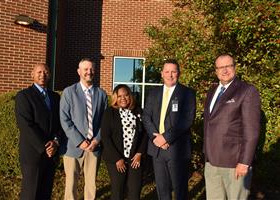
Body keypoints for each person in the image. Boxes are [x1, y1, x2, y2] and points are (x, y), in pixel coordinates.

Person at [203, 54, 261, 199]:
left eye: (228, 66)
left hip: (234, 164)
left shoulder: (247, 91)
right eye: (220, 67)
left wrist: (244, 162)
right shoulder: (212, 91)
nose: (225, 70)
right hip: (211, 163)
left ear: (235, 67)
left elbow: (251, 131)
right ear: (216, 71)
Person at [142, 59, 196, 200]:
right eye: (167, 71)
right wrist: (156, 138)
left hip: (177, 149)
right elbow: (146, 116)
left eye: (173, 71)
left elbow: (186, 120)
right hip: (157, 150)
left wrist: (165, 137)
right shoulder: (153, 93)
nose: (170, 75)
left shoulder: (188, 93)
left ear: (179, 73)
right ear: (161, 74)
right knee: (162, 190)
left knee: (180, 192)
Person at [60, 58, 107, 200]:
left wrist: (97, 140)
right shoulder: (69, 92)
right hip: (73, 146)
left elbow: (105, 122)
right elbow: (64, 119)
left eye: (91, 69)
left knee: (91, 185)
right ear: (79, 71)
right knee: (71, 184)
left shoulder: (101, 94)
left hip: (94, 147)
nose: (89, 72)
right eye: (85, 69)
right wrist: (80, 141)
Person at [15, 63, 62, 200]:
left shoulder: (55, 97)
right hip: (33, 154)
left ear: (50, 75)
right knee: (30, 193)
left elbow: (60, 123)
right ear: (32, 75)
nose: (43, 75)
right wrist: (44, 146)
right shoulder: (24, 96)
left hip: (51, 154)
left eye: (46, 72)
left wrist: (55, 142)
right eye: (39, 72)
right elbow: (25, 125)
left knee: (45, 193)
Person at [101, 84, 148, 200]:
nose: (123, 98)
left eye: (126, 95)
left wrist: (139, 153)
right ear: (115, 98)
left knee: (134, 190)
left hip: (135, 158)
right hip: (115, 159)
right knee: (118, 190)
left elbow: (146, 134)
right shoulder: (109, 112)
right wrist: (117, 158)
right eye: (119, 96)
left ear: (130, 96)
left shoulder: (138, 111)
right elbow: (105, 137)